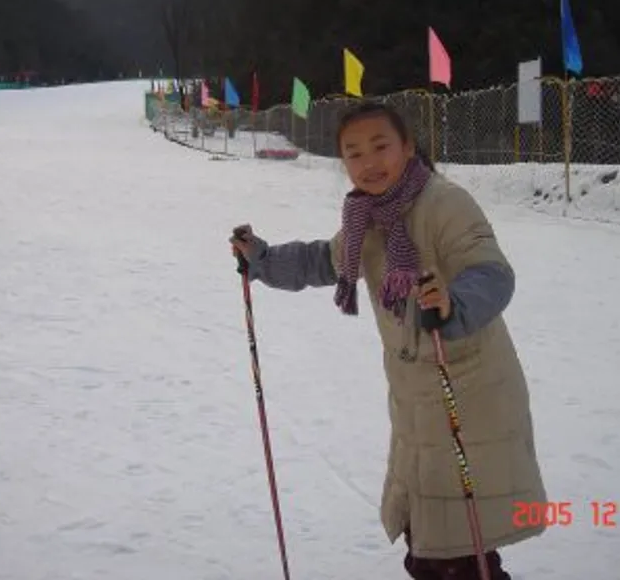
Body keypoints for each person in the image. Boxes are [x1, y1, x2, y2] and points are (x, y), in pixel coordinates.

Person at [229, 101, 547, 580]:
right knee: (436, 544)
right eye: (354, 153)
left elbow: (491, 271)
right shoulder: (367, 216)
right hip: (417, 404)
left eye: (380, 147)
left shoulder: (444, 202)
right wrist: (263, 259)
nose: (369, 162)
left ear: (408, 147)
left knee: (454, 553)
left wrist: (453, 304)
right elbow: (325, 261)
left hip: (468, 399)